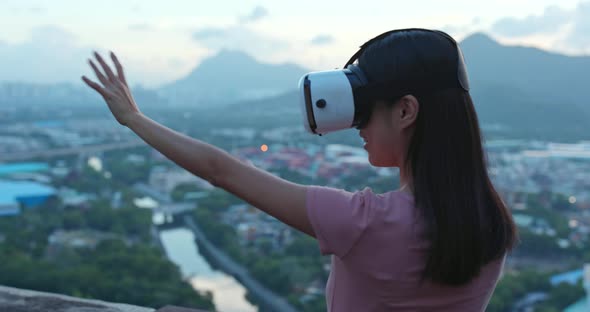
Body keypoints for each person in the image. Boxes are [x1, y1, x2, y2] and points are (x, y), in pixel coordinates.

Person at [83, 28, 517, 311]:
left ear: (405, 111)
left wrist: (134, 119)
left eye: (365, 112)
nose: (358, 126)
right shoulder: (492, 221)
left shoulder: (365, 222)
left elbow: (222, 170)